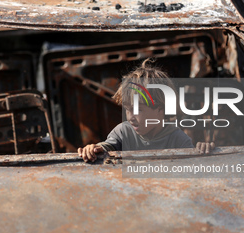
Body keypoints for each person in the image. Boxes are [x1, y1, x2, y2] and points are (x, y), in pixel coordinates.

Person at [78, 58, 215, 162]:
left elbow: (194, 164)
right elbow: (108, 146)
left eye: (138, 110)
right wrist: (94, 149)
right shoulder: (123, 132)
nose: (131, 117)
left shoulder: (177, 139)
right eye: (127, 109)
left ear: (160, 109)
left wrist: (202, 150)